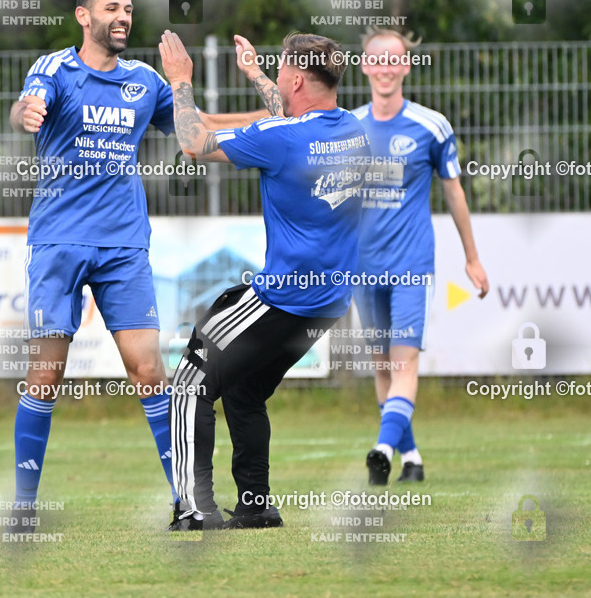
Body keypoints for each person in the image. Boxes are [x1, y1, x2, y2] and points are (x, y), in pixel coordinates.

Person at [7, 0, 261, 529]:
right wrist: (26, 114)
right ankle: (23, 506)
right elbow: (29, 104)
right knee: (45, 375)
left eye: (127, 9)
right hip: (59, 242)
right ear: (84, 16)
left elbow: (199, 132)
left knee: (149, 371)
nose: (123, 17)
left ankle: (188, 504)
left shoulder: (144, 81)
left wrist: (269, 119)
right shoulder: (55, 69)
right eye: (111, 8)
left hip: (124, 244)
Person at [158, 30, 370, 530]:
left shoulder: (281, 138)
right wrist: (255, 74)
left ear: (296, 78)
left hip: (282, 299)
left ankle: (193, 509)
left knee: (189, 385)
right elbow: (290, 112)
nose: (277, 77)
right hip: (328, 305)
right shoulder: (352, 131)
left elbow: (193, 143)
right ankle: (255, 507)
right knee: (245, 392)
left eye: (280, 72)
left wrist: (181, 82)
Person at [352, 28, 489, 486]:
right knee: (381, 365)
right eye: (378, 60)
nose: (387, 68)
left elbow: (454, 193)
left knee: (403, 362)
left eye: (396, 60)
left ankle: (382, 448)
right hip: (362, 267)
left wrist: (472, 259)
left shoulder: (432, 126)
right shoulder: (348, 128)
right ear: (366, 67)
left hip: (412, 264)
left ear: (407, 66)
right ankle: (410, 456)